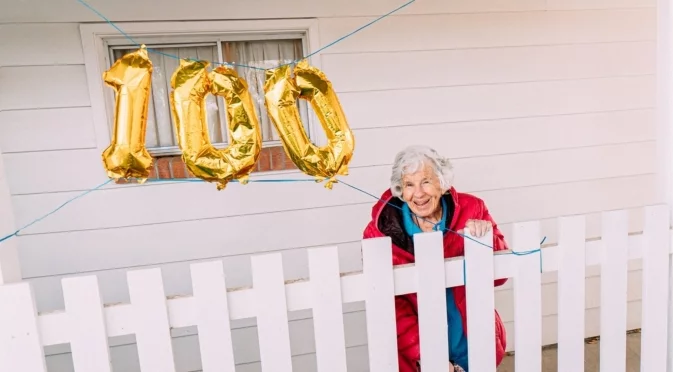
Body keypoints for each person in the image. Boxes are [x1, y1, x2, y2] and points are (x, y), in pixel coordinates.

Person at [362, 145, 508, 372]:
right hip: (417, 357)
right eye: (409, 184)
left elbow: (500, 277)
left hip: (472, 344)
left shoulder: (473, 209)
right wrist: (429, 356)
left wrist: (486, 239)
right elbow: (390, 307)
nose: (418, 193)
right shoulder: (379, 232)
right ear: (400, 189)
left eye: (426, 182)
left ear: (442, 183)